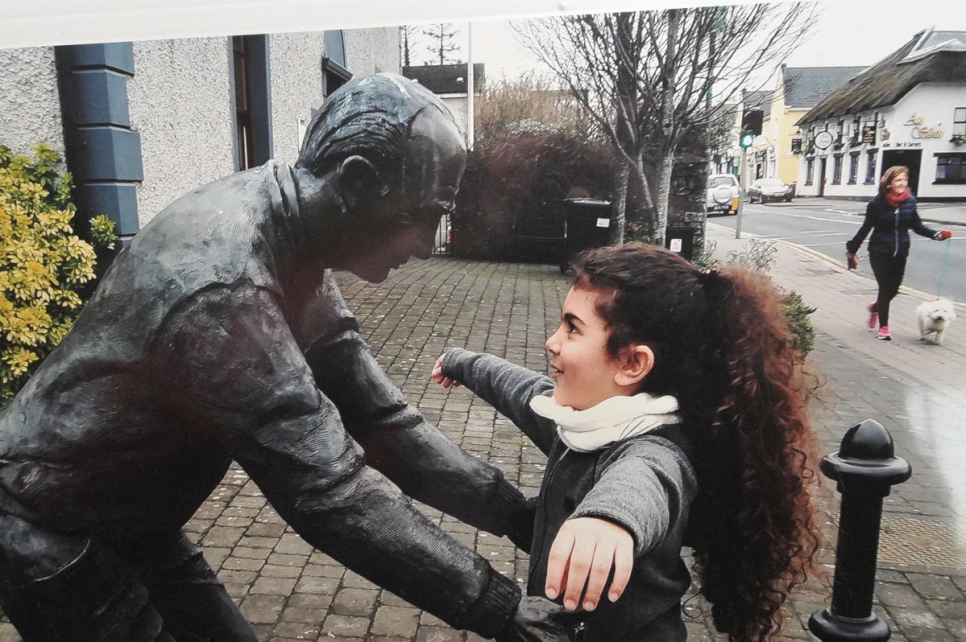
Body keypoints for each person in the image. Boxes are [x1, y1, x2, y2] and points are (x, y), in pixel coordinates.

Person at [0, 73, 571, 641]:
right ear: (356, 181)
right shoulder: (224, 292)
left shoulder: (292, 240)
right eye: (419, 215)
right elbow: (331, 493)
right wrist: (498, 608)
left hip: (135, 521)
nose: (426, 245)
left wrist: (525, 519)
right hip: (52, 533)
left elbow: (384, 424)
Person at [431, 242, 823, 641]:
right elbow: (524, 392)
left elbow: (645, 483)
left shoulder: (655, 448)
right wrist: (465, 363)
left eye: (572, 328)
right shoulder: (591, 417)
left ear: (632, 363)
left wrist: (609, 519)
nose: (553, 341)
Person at [846, 165, 952, 341]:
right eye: (898, 180)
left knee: (894, 289)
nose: (903, 183)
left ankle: (875, 308)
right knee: (885, 287)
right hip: (879, 250)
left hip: (900, 251)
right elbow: (865, 229)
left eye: (905, 180)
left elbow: (917, 226)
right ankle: (884, 328)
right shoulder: (876, 204)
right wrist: (852, 250)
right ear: (889, 184)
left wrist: (936, 234)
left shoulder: (910, 201)